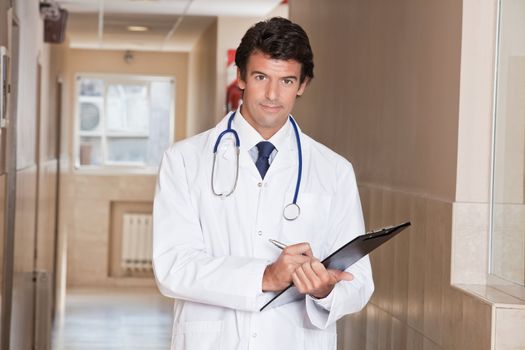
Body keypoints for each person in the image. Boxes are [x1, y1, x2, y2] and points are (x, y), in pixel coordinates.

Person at [153, 17, 374, 350]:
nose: (273, 94)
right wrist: (266, 276)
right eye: (261, 77)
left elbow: (359, 282)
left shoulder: (335, 170)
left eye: (286, 81)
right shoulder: (184, 160)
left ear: (303, 84)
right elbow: (173, 267)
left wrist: (325, 290)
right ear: (240, 76)